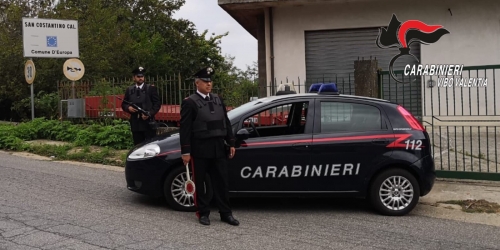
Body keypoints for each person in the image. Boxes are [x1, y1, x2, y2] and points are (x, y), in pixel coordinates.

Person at [179, 67, 239, 226]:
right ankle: (203, 213)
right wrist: (185, 151)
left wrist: (231, 142)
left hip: (218, 147)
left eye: (210, 81)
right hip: (200, 148)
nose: (209, 84)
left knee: (222, 182)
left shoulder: (218, 99)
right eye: (205, 81)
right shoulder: (189, 102)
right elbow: (184, 129)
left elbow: (225, 122)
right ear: (197, 83)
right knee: (200, 183)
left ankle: (226, 213)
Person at [121, 66, 161, 145]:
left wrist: (149, 113)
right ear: (134, 78)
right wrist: (128, 108)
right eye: (138, 76)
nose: (140, 78)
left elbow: (157, 104)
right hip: (136, 123)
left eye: (142, 76)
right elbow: (124, 104)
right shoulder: (129, 90)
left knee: (150, 146)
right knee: (138, 146)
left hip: (148, 123)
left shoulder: (150, 89)